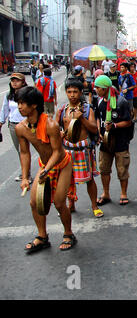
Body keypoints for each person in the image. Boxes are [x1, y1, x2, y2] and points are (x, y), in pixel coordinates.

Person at [15, 86, 77, 253]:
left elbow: (57, 151)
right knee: (34, 202)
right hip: (45, 166)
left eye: (22, 103)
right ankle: (42, 236)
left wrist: (46, 170)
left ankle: (69, 233)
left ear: (34, 105)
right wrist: (25, 177)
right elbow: (25, 153)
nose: (19, 107)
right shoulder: (20, 128)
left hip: (61, 164)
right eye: (18, 103)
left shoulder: (50, 124)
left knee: (58, 203)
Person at [56, 79, 103, 218]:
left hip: (83, 150)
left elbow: (94, 129)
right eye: (69, 92)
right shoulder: (62, 110)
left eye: (75, 92)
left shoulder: (87, 109)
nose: (72, 95)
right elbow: (56, 129)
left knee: (89, 180)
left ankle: (94, 206)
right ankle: (71, 205)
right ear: (66, 92)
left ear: (80, 92)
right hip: (67, 150)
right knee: (67, 180)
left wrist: (82, 118)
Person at [94, 75, 133, 206]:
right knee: (104, 169)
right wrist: (99, 132)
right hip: (105, 143)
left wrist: (115, 125)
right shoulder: (99, 102)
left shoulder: (121, 102)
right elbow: (98, 118)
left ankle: (123, 194)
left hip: (121, 141)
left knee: (122, 169)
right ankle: (106, 193)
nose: (96, 90)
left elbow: (128, 121)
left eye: (98, 88)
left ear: (105, 88)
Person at [0, 73, 31, 182]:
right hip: (13, 125)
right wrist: (1, 123)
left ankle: (27, 175)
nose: (14, 82)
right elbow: (4, 110)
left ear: (23, 82)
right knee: (19, 150)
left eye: (17, 80)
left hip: (26, 125)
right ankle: (25, 173)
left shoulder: (28, 94)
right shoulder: (9, 95)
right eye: (12, 80)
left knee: (24, 149)